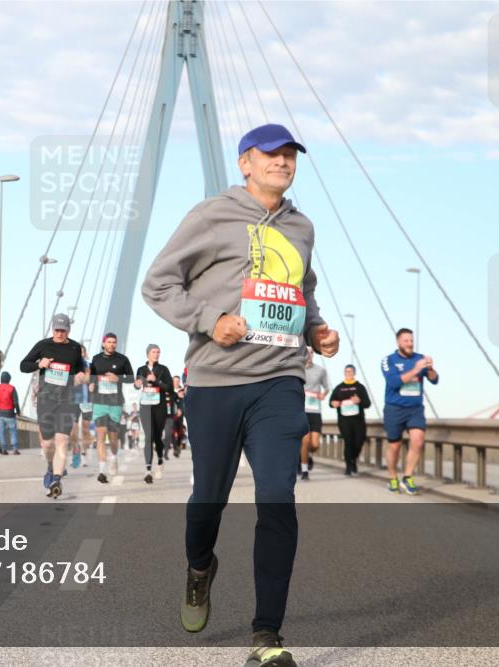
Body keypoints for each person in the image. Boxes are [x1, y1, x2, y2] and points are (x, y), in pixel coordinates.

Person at [142, 122, 338, 666]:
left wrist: (316, 331)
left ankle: (266, 637)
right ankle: (200, 567)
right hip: (215, 382)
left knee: (278, 497)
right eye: (271, 155)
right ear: (245, 162)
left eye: (290, 156)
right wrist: (209, 319)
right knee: (209, 500)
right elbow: (157, 283)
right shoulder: (211, 216)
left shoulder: (302, 227)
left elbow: (302, 289)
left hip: (279, 381)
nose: (282, 163)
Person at [20, 313, 88, 499]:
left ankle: (57, 480)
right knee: (48, 443)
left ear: (68, 330)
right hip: (46, 400)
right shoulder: (43, 345)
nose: (59, 334)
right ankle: (51, 467)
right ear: (53, 329)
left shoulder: (74, 348)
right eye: (57, 330)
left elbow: (81, 369)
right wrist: (38, 363)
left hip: (67, 400)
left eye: (63, 330)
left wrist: (81, 376)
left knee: (62, 441)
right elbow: (23, 366)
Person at [381, 328, 439, 495]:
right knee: (395, 446)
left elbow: (435, 380)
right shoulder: (388, 360)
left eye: (411, 340)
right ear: (399, 342)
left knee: (418, 440)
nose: (410, 343)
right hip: (394, 408)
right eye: (406, 340)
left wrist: (430, 369)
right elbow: (393, 382)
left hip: (415, 408)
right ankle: (393, 477)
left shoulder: (420, 359)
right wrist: (415, 370)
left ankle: (407, 477)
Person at [89, 332, 134, 483]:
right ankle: (102, 470)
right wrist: (91, 384)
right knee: (100, 436)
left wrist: (118, 378)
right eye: (109, 342)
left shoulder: (122, 359)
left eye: (114, 342)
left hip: (115, 403)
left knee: (113, 437)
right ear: (103, 344)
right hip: (99, 402)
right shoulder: (96, 359)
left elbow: (132, 378)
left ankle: (114, 458)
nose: (112, 344)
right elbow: (91, 378)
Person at [134, 344, 175, 484]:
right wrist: (138, 383)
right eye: (154, 352)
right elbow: (136, 384)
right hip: (145, 406)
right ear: (148, 354)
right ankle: (148, 470)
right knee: (148, 436)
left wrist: (155, 380)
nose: (156, 354)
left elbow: (169, 388)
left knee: (157, 436)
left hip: (160, 406)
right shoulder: (141, 369)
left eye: (158, 352)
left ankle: (160, 461)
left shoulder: (163, 369)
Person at [328, 365, 371, 475]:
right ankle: (348, 467)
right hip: (344, 420)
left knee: (359, 442)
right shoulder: (339, 387)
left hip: (358, 420)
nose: (348, 373)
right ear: (344, 373)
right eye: (346, 371)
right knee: (348, 442)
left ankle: (352, 460)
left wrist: (359, 401)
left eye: (350, 371)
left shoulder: (360, 387)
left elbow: (367, 403)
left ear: (354, 373)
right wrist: (334, 404)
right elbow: (331, 402)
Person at [300, 349, 329, 481]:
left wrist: (324, 394)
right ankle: (305, 470)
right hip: (302, 410)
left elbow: (327, 387)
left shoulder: (321, 370)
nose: (309, 355)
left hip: (315, 411)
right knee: (305, 442)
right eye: (306, 352)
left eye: (311, 352)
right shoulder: (297, 368)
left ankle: (309, 456)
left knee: (315, 444)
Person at [70, 345, 94, 469]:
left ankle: (84, 454)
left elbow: (90, 379)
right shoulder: (71, 366)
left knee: (85, 429)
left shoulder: (89, 366)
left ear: (85, 353)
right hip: (73, 400)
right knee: (73, 430)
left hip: (87, 401)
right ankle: (76, 451)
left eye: (82, 352)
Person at [0, 371, 21, 455]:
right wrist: (18, 412)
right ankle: (15, 449)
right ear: (9, 379)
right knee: (13, 431)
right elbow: (16, 402)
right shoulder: (12, 388)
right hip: (10, 413)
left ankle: (3, 449)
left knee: (1, 431)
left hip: (0, 413)